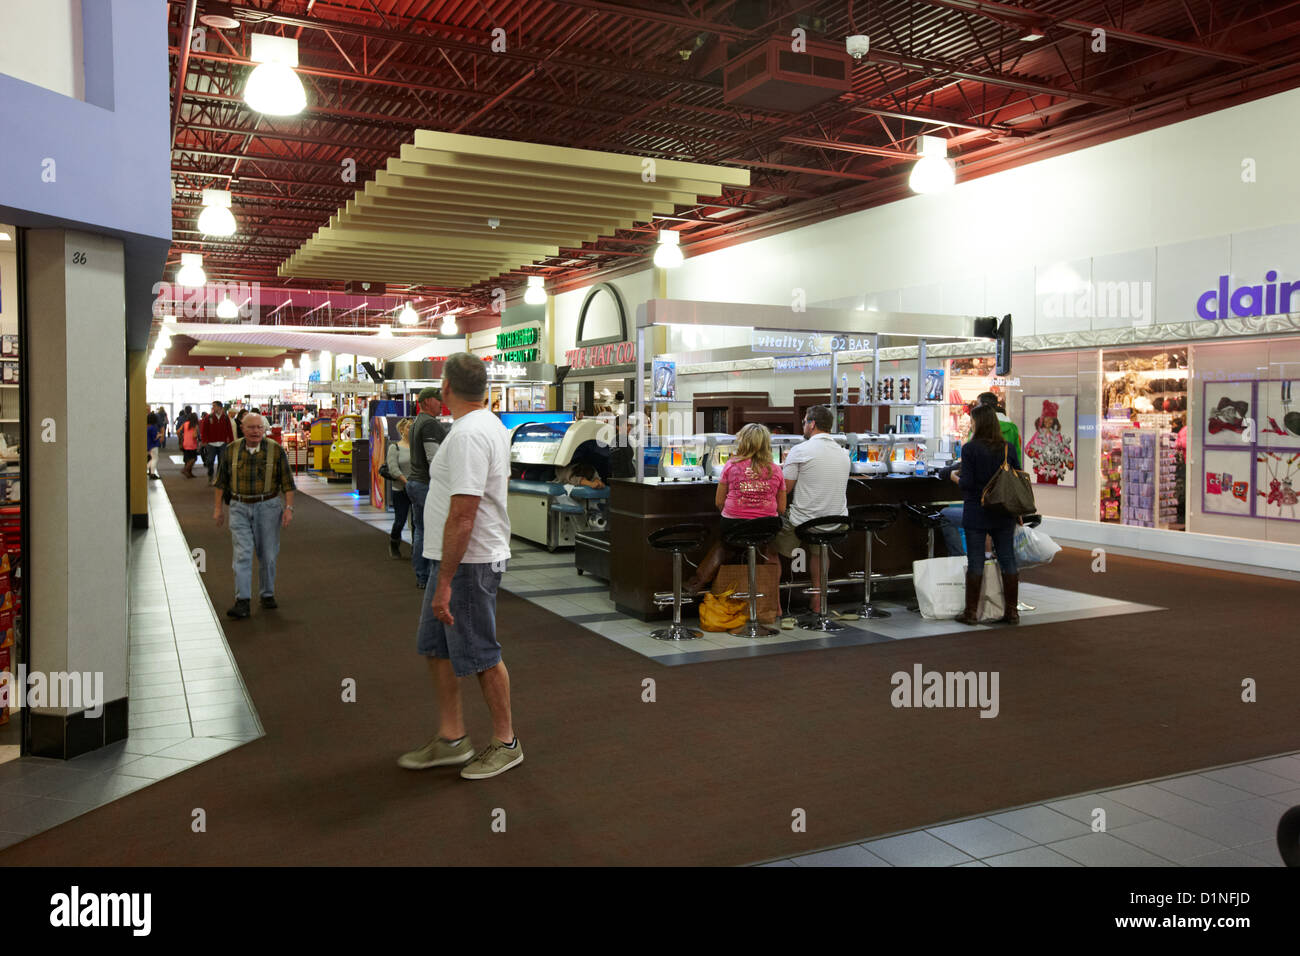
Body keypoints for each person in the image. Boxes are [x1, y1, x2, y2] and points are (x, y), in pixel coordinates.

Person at [399, 352, 520, 780]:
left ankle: (506, 743)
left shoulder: (470, 434)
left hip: (467, 564)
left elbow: (464, 513)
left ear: (446, 388)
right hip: (451, 561)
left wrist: (446, 580)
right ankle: (452, 738)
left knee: (481, 652)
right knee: (437, 649)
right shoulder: (482, 425)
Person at [211, 412, 296, 619]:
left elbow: (287, 483)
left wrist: (288, 509)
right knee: (242, 553)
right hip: (239, 506)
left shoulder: (275, 450)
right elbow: (221, 482)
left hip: (268, 507)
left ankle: (267, 594)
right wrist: (218, 509)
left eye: (259, 427)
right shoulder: (231, 450)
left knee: (267, 553)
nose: (256, 431)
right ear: (242, 428)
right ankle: (243, 601)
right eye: (251, 427)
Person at [684, 423, 786, 593]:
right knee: (766, 546)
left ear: (742, 442)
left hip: (734, 526)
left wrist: (738, 512)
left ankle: (698, 582)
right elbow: (781, 508)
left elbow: (719, 501)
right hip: (767, 528)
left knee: (725, 543)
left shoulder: (731, 465)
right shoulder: (776, 469)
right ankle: (768, 595)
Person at [772, 405, 849, 614]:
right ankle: (817, 599)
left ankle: (774, 604)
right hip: (836, 522)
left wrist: (784, 464)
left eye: (805, 421)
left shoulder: (800, 450)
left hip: (805, 522)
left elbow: (785, 488)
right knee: (819, 551)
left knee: (769, 547)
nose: (804, 425)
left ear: (812, 424)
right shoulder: (844, 453)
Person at [953, 404, 1021, 625]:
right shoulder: (1007, 448)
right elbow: (1017, 479)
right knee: (1007, 559)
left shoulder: (970, 449)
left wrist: (954, 478)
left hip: (976, 511)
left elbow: (968, 484)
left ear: (978, 424)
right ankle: (1012, 612)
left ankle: (971, 612)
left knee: (976, 561)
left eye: (972, 421)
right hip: (1003, 511)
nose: (970, 425)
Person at [405, 387, 451, 590]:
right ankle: (430, 576)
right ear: (426, 402)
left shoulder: (416, 423)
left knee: (420, 530)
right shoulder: (430, 424)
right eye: (438, 400)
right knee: (431, 532)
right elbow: (434, 459)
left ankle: (421, 575)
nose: (442, 403)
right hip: (426, 485)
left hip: (414, 483)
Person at [1023, 399, 1075, 484]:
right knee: (1041, 486)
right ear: (1042, 419)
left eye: (1051, 419)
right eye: (1046, 418)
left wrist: (1069, 460)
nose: (1048, 421)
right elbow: (1028, 447)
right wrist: (1031, 452)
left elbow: (1065, 449)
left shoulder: (1057, 435)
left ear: (1054, 421)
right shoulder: (1038, 434)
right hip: (1041, 468)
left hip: (1055, 469)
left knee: (1053, 487)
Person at [386, 418, 414, 560]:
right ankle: (394, 543)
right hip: (400, 490)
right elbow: (393, 469)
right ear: (402, 430)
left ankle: (416, 547)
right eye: (409, 427)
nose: (411, 430)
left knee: (416, 521)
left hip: (416, 489)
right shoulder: (394, 448)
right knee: (400, 520)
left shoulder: (417, 447)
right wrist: (406, 482)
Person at [201, 401, 234, 478]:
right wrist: (204, 441)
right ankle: (210, 473)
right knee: (210, 460)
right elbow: (204, 430)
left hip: (223, 443)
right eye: (212, 406)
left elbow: (230, 430)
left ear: (220, 407)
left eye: (214, 406)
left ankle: (219, 477)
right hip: (211, 443)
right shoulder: (208, 417)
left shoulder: (225, 418)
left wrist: (231, 442)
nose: (213, 407)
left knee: (222, 461)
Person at [179, 411, 201, 477]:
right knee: (194, 458)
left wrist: (181, 438)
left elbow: (178, 431)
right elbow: (194, 436)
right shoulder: (195, 425)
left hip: (185, 443)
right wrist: (197, 436)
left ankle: (189, 473)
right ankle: (185, 469)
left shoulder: (185, 424)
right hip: (192, 444)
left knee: (187, 458)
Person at [146, 413, 162, 480]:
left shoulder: (148, 427)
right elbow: (154, 438)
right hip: (154, 445)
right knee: (155, 459)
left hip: (149, 445)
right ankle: (152, 473)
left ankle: (146, 470)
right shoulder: (153, 428)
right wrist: (159, 435)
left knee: (152, 459)